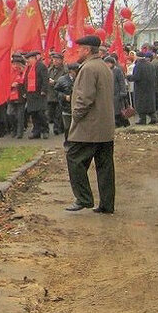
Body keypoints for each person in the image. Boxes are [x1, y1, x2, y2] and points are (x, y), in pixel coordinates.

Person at [64, 35, 115, 214]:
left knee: (74, 158)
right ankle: (107, 204)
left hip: (89, 127)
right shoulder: (103, 67)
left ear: (87, 50)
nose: (77, 52)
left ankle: (83, 198)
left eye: (80, 49)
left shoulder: (88, 69)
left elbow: (85, 98)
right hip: (105, 127)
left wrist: (75, 117)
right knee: (105, 166)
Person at [22, 51, 48, 138]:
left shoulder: (41, 66)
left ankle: (45, 130)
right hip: (30, 94)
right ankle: (36, 132)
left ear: (34, 58)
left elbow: (45, 79)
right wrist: (25, 92)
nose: (28, 61)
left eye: (29, 59)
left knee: (40, 113)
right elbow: (25, 80)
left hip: (39, 93)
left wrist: (44, 90)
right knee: (33, 113)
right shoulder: (28, 68)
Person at [129, 52, 158, 125]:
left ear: (137, 57)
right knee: (149, 103)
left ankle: (142, 119)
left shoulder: (138, 65)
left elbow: (137, 77)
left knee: (141, 104)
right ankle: (153, 117)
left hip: (141, 88)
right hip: (150, 87)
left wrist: (129, 77)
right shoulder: (150, 64)